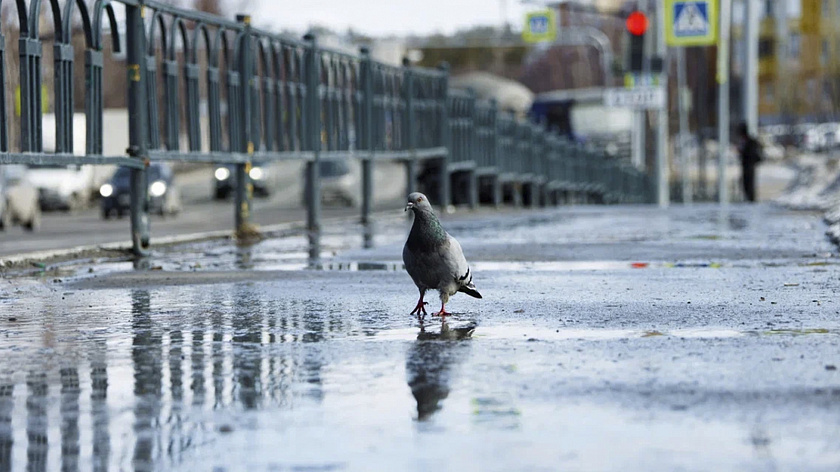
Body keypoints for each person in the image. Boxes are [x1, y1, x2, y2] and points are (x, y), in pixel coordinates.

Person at [737, 122, 762, 202]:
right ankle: (749, 198)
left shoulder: (749, 142)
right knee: (746, 183)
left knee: (749, 183)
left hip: (749, 164)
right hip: (747, 165)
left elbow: (749, 153)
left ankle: (751, 199)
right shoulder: (747, 141)